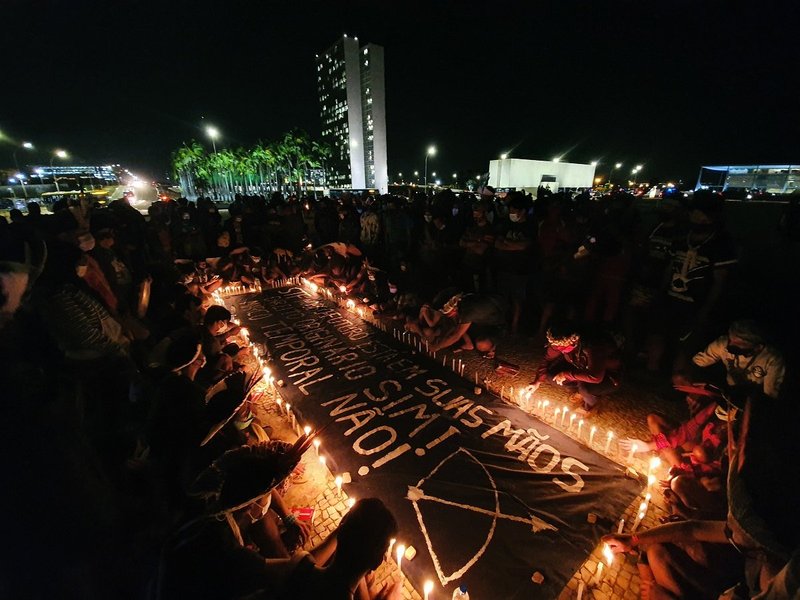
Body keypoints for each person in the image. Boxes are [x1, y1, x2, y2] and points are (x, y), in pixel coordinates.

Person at [527, 323, 621, 412]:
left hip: (606, 375)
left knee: (586, 388)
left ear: (574, 341)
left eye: (561, 346)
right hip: (580, 367)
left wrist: (567, 374)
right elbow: (547, 359)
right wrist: (537, 381)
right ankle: (578, 389)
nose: (557, 348)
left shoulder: (593, 345)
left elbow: (596, 376)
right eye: (555, 345)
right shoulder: (559, 341)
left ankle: (590, 403)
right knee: (551, 376)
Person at [689, 320, 785, 399]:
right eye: (731, 340)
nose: (729, 346)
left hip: (753, 400)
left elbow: (769, 395)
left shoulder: (772, 358)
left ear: (757, 348)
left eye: (738, 346)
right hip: (729, 393)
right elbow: (696, 363)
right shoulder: (723, 344)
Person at [493, 193, 535, 334]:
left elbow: (524, 245)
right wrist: (513, 245)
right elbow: (497, 243)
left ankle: (515, 326)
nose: (511, 213)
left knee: (517, 299)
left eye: (513, 211)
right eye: (510, 210)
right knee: (503, 298)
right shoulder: (506, 224)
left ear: (522, 211)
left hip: (520, 270)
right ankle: (503, 323)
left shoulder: (529, 226)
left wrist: (508, 243)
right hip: (504, 267)